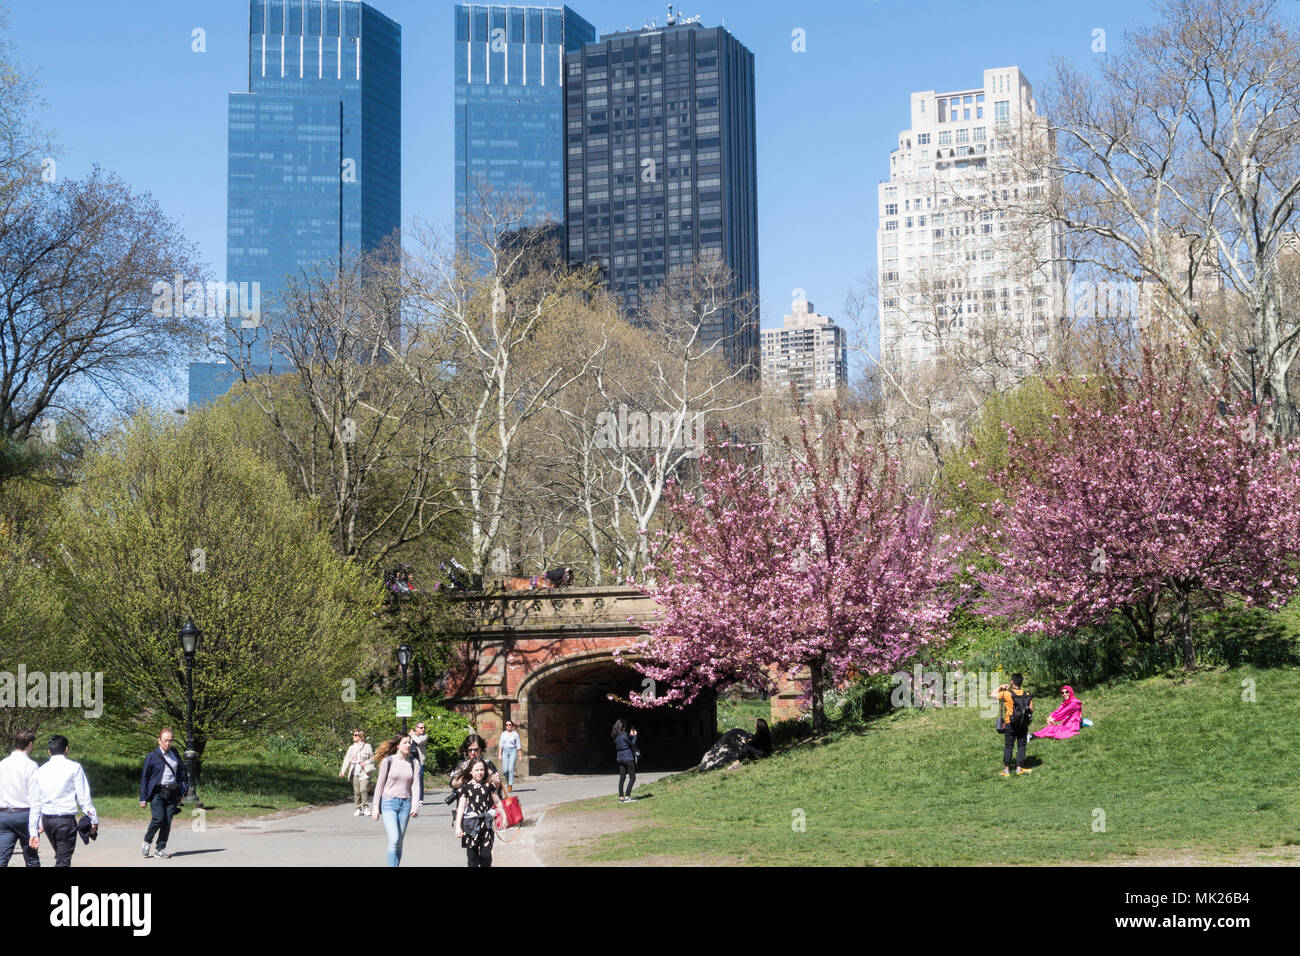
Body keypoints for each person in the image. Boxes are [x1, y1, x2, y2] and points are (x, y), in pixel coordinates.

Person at [33, 735, 98, 867]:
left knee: (61, 855)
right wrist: (93, 818)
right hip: (65, 820)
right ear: (66, 749)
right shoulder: (74, 767)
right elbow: (83, 796)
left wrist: (37, 822)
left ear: (49, 751)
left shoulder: (40, 770)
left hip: (47, 820)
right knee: (63, 859)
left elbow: (36, 800)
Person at [371, 733, 420, 867]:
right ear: (398, 745)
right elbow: (379, 784)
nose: (408, 745)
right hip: (389, 802)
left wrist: (415, 806)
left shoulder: (414, 763)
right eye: (405, 742)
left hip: (406, 804)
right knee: (394, 839)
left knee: (399, 843)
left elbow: (416, 786)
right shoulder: (388, 761)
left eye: (410, 742)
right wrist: (376, 806)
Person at [139, 727, 187, 859]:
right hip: (157, 793)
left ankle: (160, 849)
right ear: (159, 741)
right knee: (159, 818)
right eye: (165, 740)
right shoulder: (152, 756)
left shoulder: (175, 753)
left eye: (170, 741)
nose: (168, 743)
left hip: (172, 792)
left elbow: (181, 772)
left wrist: (183, 790)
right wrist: (142, 798)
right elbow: (145, 777)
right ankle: (147, 841)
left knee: (167, 821)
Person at [454, 757, 507, 868]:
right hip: (471, 825)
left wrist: (504, 817)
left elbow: (497, 802)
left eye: (482, 770)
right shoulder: (466, 788)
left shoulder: (489, 786)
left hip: (486, 825)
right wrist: (458, 826)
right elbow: (461, 807)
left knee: (486, 857)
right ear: (470, 771)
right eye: (476, 770)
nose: (480, 772)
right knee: (472, 858)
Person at [0, 729, 42, 867]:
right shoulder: (31, 766)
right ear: (30, 744)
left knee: (2, 857)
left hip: (4, 814)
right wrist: (37, 823)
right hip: (24, 814)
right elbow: (35, 798)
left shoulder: (2, 764)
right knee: (31, 857)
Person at [446, 734, 502, 820]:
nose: (472, 753)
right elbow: (453, 783)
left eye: (476, 749)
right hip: (465, 810)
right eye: (470, 750)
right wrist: (467, 772)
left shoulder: (487, 764)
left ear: (481, 749)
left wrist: (486, 771)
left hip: (485, 809)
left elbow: (497, 784)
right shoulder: (462, 765)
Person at [991, 674, 1034, 777]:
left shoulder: (1006, 694)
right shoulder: (1026, 694)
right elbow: (1031, 709)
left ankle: (1006, 770)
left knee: (1009, 746)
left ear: (1012, 682)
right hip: (1023, 723)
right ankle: (1019, 769)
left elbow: (992, 695)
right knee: (1021, 745)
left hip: (1010, 723)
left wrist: (1001, 687)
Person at [338, 729, 374, 815]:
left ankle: (366, 808)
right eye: (353, 735)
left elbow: (372, 758)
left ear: (360, 736)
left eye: (355, 735)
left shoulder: (367, 746)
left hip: (364, 772)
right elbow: (346, 759)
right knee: (357, 792)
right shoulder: (351, 748)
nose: (353, 736)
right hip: (354, 771)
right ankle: (358, 808)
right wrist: (342, 771)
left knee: (363, 789)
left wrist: (365, 763)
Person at [612, 719, 639, 802]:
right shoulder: (624, 734)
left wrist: (630, 736)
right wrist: (634, 736)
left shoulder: (615, 735)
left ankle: (621, 797)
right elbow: (632, 744)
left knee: (622, 778)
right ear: (623, 726)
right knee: (632, 777)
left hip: (620, 757)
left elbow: (623, 741)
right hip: (628, 757)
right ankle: (627, 796)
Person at [497, 720, 522, 789]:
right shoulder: (503, 734)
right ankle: (508, 782)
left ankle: (510, 784)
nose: (508, 726)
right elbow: (501, 745)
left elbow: (518, 745)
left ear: (512, 726)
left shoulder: (515, 734)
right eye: (506, 725)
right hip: (505, 752)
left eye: (509, 724)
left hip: (513, 751)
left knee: (510, 768)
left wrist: (520, 755)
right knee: (505, 770)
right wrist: (499, 754)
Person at [409, 722, 429, 804]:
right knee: (409, 779)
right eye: (421, 728)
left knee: (419, 780)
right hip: (410, 760)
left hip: (420, 761)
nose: (423, 729)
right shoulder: (410, 737)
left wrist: (412, 735)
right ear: (416, 728)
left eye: (424, 727)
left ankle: (420, 799)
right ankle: (410, 797)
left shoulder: (425, 737)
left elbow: (418, 742)